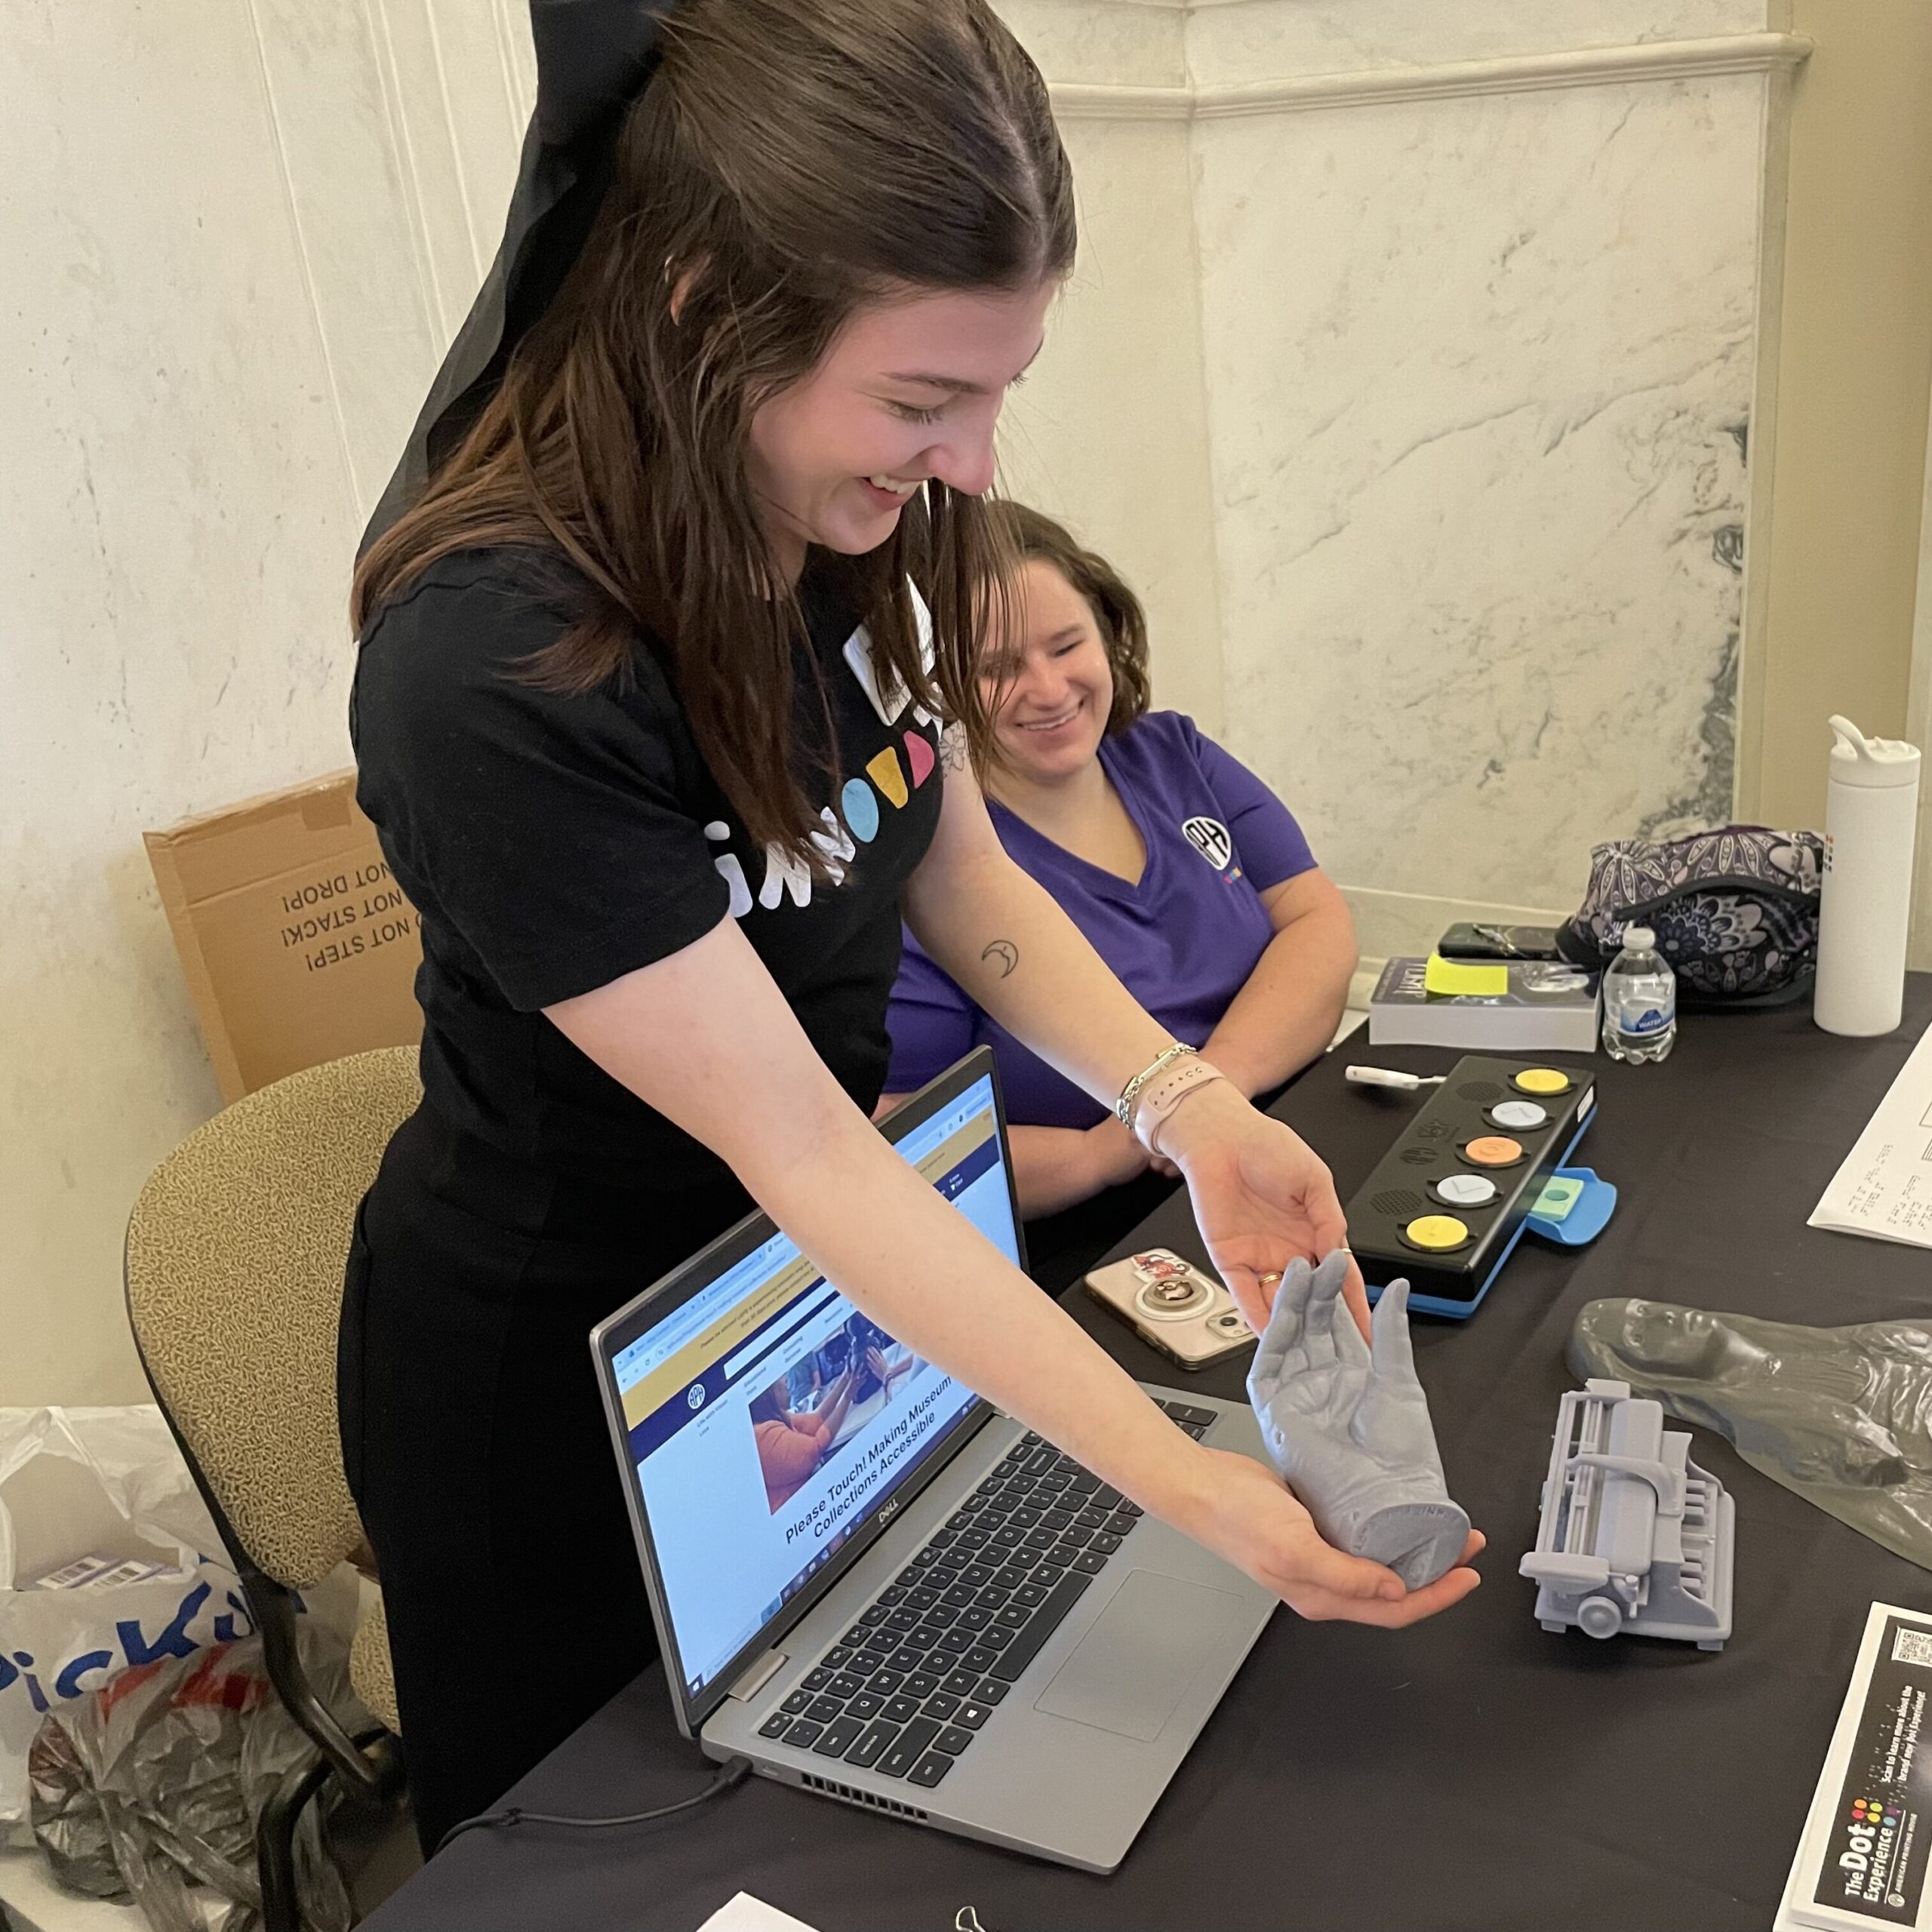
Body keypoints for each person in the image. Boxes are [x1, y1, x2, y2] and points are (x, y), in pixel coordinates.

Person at [339, 0, 1480, 1853]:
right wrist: (1189, 1493)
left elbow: (946, 858)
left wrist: (1187, 1104)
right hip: (561, 1380)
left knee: (860, 1781)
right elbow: (801, 1143)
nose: (968, 463)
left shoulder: (842, 512)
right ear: (706, 316)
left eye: (998, 386)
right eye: (922, 397)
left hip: (800, 1302)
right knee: (607, 1850)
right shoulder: (490, 672)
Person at [884, 505, 1358, 1272]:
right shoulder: (934, 876)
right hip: (1102, 1239)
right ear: (933, 694)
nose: (1048, 687)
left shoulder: (1173, 753)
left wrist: (1206, 1096)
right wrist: (1105, 1151)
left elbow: (1316, 921)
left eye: (1067, 645)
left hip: (1273, 1140)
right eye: (998, 668)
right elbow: (903, 1140)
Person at [751, 1367, 862, 1512]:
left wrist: (846, 1377)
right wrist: (848, 1396)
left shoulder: (772, 1419)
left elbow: (815, 1420)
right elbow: (814, 1449)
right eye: (778, 1378)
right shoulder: (763, 1435)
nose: (785, 1381)